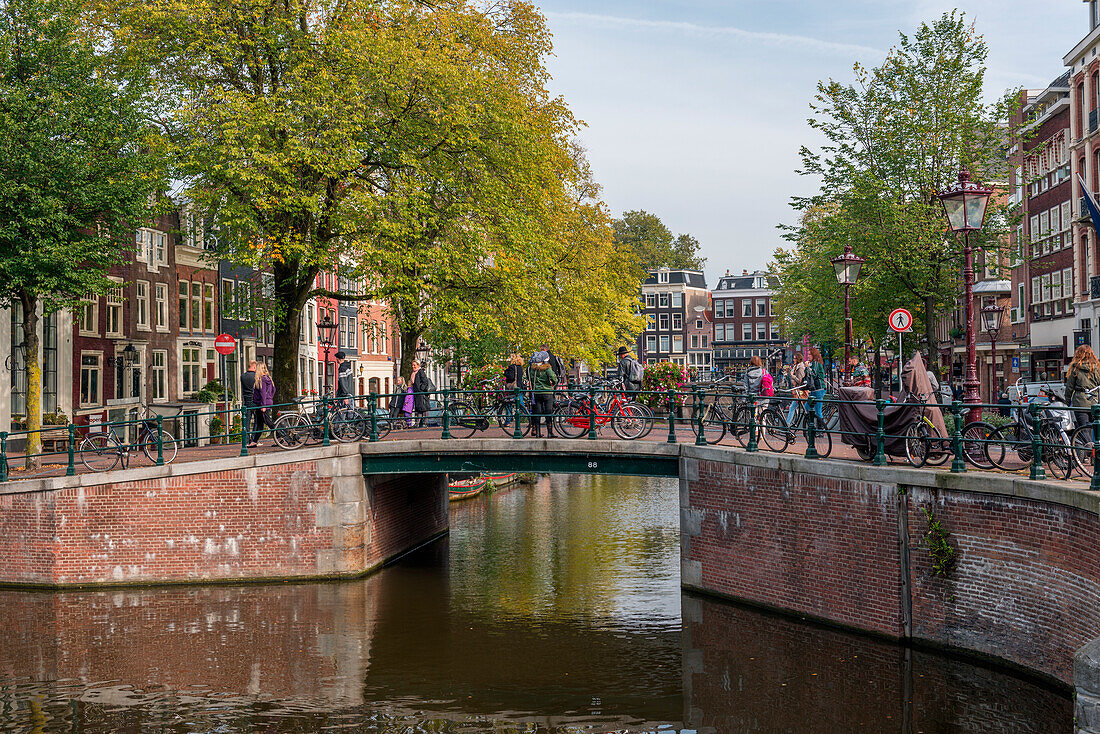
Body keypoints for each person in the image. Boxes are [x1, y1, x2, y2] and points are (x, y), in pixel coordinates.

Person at [1065, 344, 1100, 427]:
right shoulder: (1097, 368)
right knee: (1096, 428)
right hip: (1094, 400)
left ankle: (1087, 440)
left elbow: (1069, 387)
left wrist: (1067, 401)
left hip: (1080, 402)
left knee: (1083, 428)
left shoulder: (1075, 368)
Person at [530, 350, 557, 437]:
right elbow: (553, 377)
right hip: (547, 392)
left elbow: (530, 378)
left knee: (537, 412)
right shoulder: (547, 368)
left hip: (537, 392)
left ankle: (537, 433)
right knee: (548, 412)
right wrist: (553, 383)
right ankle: (550, 432)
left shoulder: (533, 369)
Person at [250, 362, 276, 446]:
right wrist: (270, 398)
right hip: (265, 402)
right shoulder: (269, 378)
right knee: (260, 422)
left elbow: (262, 393)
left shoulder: (262, 379)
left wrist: (264, 405)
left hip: (262, 404)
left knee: (268, 422)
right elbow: (273, 390)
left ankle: (281, 435)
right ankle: (254, 441)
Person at [806, 348, 827, 423]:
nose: (808, 356)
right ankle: (811, 427)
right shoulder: (812, 364)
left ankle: (820, 430)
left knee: (818, 410)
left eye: (809, 354)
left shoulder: (816, 364)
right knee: (807, 406)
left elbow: (813, 375)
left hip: (819, 389)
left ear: (814, 355)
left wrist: (807, 367)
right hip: (813, 389)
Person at [240, 360, 259, 444]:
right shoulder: (256, 376)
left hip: (246, 400)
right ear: (254, 367)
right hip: (255, 400)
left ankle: (247, 441)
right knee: (257, 420)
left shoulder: (243, 376)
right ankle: (254, 439)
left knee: (246, 422)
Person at [409, 359, 432, 426]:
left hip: (422, 394)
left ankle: (424, 423)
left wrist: (420, 389)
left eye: (414, 365)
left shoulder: (420, 372)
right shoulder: (413, 373)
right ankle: (418, 423)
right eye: (412, 365)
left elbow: (425, 381)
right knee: (419, 408)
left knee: (423, 408)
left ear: (418, 365)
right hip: (417, 394)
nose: (413, 366)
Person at [786, 353, 807, 426]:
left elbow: (800, 381)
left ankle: (788, 424)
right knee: (794, 407)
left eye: (795, 358)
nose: (793, 360)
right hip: (797, 390)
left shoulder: (800, 368)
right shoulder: (796, 367)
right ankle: (793, 422)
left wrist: (793, 376)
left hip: (800, 391)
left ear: (798, 359)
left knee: (792, 407)